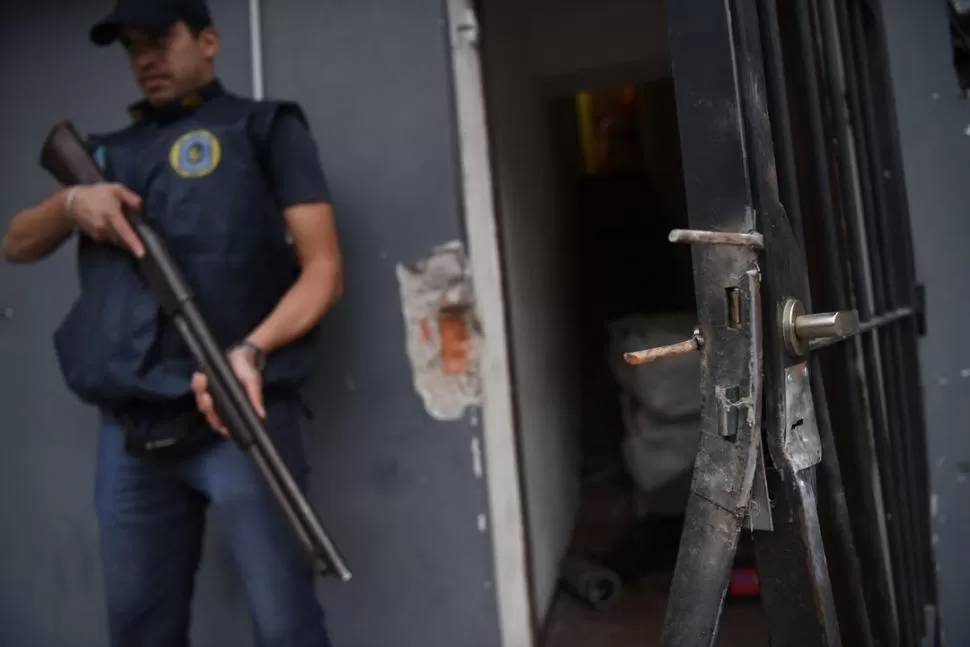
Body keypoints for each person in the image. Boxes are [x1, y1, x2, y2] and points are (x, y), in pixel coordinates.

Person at [1, 0, 343, 645]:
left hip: (239, 414)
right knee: (139, 626)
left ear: (208, 40)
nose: (145, 58)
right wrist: (73, 202)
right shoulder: (104, 151)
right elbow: (15, 242)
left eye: (159, 38)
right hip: (132, 433)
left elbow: (324, 271)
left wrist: (252, 349)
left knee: (285, 623)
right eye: (132, 46)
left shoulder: (266, 127)